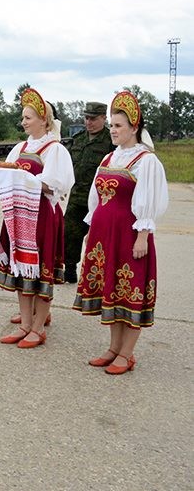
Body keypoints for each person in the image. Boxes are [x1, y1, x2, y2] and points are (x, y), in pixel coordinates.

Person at [73, 91, 168, 375]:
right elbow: (96, 197)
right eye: (112, 125)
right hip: (104, 235)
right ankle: (113, 348)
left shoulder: (145, 161)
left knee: (129, 290)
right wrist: (91, 229)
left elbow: (150, 202)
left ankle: (127, 354)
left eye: (119, 126)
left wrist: (142, 236)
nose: (113, 131)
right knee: (112, 290)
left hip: (129, 234)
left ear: (134, 128)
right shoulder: (109, 157)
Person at [0, 89, 74, 348]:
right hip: (18, 215)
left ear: (44, 120)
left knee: (41, 271)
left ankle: (38, 328)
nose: (23, 122)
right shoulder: (20, 148)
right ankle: (25, 323)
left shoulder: (54, 150)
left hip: (42, 216)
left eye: (28, 117)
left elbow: (56, 185)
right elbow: (6, 173)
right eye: (23, 117)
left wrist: (26, 179)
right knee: (21, 269)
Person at [64, 102, 112, 284]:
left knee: (99, 239)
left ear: (103, 118)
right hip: (77, 197)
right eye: (86, 118)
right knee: (69, 234)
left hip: (101, 200)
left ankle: (100, 274)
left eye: (93, 118)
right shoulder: (78, 139)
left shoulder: (110, 141)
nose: (89, 122)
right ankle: (69, 269)